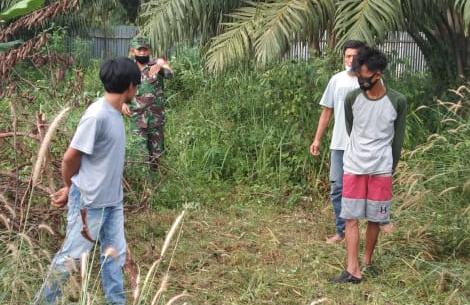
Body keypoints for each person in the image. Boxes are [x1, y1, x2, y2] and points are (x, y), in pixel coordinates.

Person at [33, 57, 141, 304]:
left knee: (114, 258)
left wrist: (122, 107)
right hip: (90, 202)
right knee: (71, 258)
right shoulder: (96, 116)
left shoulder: (113, 111)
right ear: (129, 87)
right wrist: (71, 188)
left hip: (113, 202)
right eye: (137, 86)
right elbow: (70, 159)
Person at [332, 46, 407, 284]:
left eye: (364, 75)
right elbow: (351, 128)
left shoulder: (398, 101)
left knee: (375, 219)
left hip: (381, 169)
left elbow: (398, 140)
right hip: (354, 166)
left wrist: (389, 168)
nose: (360, 80)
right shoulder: (352, 98)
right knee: (351, 218)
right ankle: (353, 269)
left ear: (378, 74)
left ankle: (368, 261)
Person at [310, 40, 366, 244]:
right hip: (339, 145)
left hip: (362, 146)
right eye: (348, 56)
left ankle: (360, 230)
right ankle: (342, 231)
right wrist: (317, 139)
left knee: (361, 189)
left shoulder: (370, 80)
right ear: (343, 57)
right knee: (337, 188)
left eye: (355, 56)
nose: (351, 60)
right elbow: (327, 111)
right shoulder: (337, 80)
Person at [122, 36, 173, 170]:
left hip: (156, 119)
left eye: (145, 50)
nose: (143, 53)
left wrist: (162, 63)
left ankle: (156, 183)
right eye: (139, 50)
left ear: (149, 51)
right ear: (133, 51)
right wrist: (123, 103)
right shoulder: (128, 69)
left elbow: (169, 74)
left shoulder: (156, 66)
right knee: (139, 153)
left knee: (157, 154)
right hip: (137, 119)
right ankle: (143, 184)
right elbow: (121, 88)